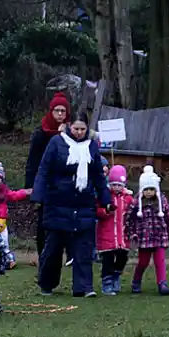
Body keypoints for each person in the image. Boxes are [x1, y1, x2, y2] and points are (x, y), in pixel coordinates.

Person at [32, 111, 112, 298]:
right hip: (57, 202)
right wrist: (38, 196)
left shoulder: (92, 146)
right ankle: (47, 283)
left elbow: (98, 176)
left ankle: (83, 287)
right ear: (69, 126)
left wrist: (105, 199)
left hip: (83, 203)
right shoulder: (56, 143)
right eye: (76, 128)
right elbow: (44, 170)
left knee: (83, 249)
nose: (78, 132)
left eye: (82, 129)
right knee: (53, 249)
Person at [25, 93, 71, 257]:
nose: (60, 114)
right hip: (45, 182)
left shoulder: (72, 132)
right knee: (43, 221)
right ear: (51, 111)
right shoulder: (41, 133)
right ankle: (42, 254)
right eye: (57, 110)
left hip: (64, 183)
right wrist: (31, 186)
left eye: (63, 111)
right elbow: (33, 161)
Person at [126, 166, 169, 296]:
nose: (149, 192)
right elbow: (129, 220)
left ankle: (162, 283)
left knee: (159, 261)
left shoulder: (162, 201)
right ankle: (136, 281)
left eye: (151, 189)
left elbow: (168, 217)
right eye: (146, 189)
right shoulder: (136, 203)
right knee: (143, 262)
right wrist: (131, 234)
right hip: (144, 238)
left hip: (159, 236)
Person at [96, 165, 134, 295]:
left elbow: (132, 213)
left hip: (123, 236)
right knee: (107, 260)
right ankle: (107, 284)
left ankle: (116, 276)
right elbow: (97, 211)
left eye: (119, 185)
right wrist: (107, 210)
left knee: (122, 257)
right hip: (107, 235)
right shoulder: (105, 196)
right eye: (114, 184)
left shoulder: (128, 198)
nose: (116, 187)